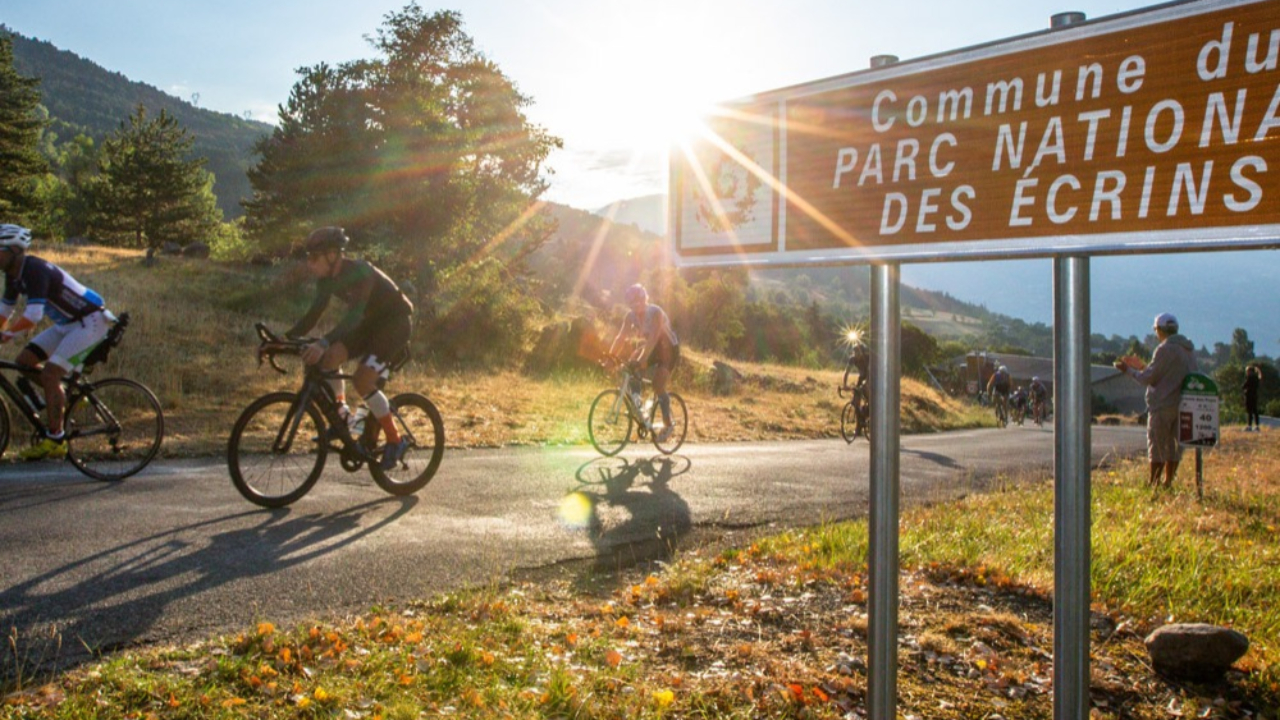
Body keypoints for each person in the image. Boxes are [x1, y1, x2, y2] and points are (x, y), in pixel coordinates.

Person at [287, 227, 415, 470]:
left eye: (314, 257)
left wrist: (323, 341)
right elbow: (313, 315)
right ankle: (342, 416)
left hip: (394, 324)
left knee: (362, 380)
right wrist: (283, 339)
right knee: (329, 359)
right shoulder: (326, 280)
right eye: (308, 257)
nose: (310, 263)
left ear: (333, 254)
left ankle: (395, 439)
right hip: (371, 324)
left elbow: (354, 317)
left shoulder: (360, 272)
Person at [0, 224, 114, 460]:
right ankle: (65, 398)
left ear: (13, 250)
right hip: (69, 324)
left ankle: (56, 439)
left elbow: (33, 315)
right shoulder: (12, 276)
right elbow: (4, 311)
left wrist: (8, 335)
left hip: (90, 322)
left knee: (51, 374)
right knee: (25, 361)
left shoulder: (34, 269)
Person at [1114, 312, 1197, 488]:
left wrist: (1128, 370)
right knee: (1174, 447)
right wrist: (1144, 367)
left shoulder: (1164, 349)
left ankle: (1154, 483)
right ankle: (1168, 482)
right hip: (1182, 405)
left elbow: (1148, 378)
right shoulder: (1188, 349)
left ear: (1160, 330)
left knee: (1158, 446)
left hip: (1162, 404)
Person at [608, 283, 680, 442]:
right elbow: (621, 337)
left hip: (669, 349)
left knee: (658, 384)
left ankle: (668, 425)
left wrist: (641, 360)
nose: (635, 305)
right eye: (632, 303)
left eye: (638, 300)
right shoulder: (630, 316)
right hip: (653, 348)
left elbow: (654, 338)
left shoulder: (655, 313)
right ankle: (639, 407)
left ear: (644, 299)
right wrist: (610, 356)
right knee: (631, 369)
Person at [1242, 364, 1261, 432]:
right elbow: (1260, 377)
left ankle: (1249, 426)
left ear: (1249, 371)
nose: (1246, 373)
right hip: (1255, 396)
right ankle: (1257, 426)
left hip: (1249, 396)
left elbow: (1244, 386)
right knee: (1255, 411)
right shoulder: (1256, 378)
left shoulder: (1249, 378)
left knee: (1249, 411)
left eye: (1247, 371)